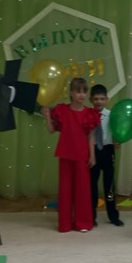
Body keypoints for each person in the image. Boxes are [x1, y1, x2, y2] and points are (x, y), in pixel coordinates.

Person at [41, 76, 101, 233]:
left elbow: (91, 136)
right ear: (71, 93)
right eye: (78, 91)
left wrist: (92, 156)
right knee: (65, 190)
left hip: (82, 155)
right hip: (66, 154)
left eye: (84, 92)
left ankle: (83, 222)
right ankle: (65, 223)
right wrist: (47, 116)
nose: (82, 95)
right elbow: (51, 130)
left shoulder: (90, 113)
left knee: (82, 190)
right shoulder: (62, 111)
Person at [89, 84, 123, 227]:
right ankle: (91, 216)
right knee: (92, 185)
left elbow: (116, 130)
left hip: (108, 151)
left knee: (109, 185)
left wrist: (117, 140)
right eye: (96, 99)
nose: (99, 102)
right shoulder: (88, 114)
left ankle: (113, 215)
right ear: (91, 100)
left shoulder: (111, 115)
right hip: (93, 151)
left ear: (107, 100)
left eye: (102, 99)